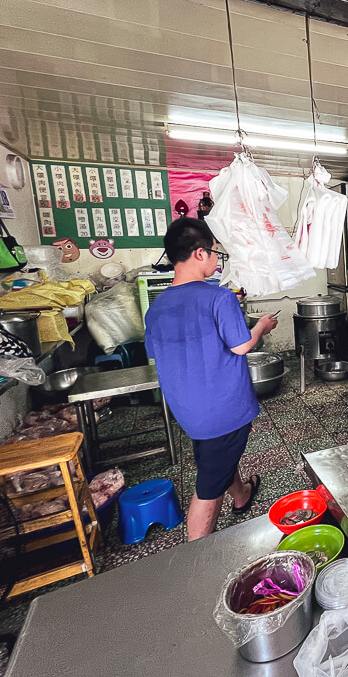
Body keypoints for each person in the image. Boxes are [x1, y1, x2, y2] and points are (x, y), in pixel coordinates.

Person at [145, 218, 277, 540]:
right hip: (223, 410)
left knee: (216, 461)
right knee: (207, 486)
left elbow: (156, 352)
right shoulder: (219, 297)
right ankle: (197, 557)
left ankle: (242, 493)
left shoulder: (156, 307)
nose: (218, 261)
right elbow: (242, 345)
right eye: (217, 253)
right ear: (200, 254)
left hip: (188, 411)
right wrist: (261, 325)